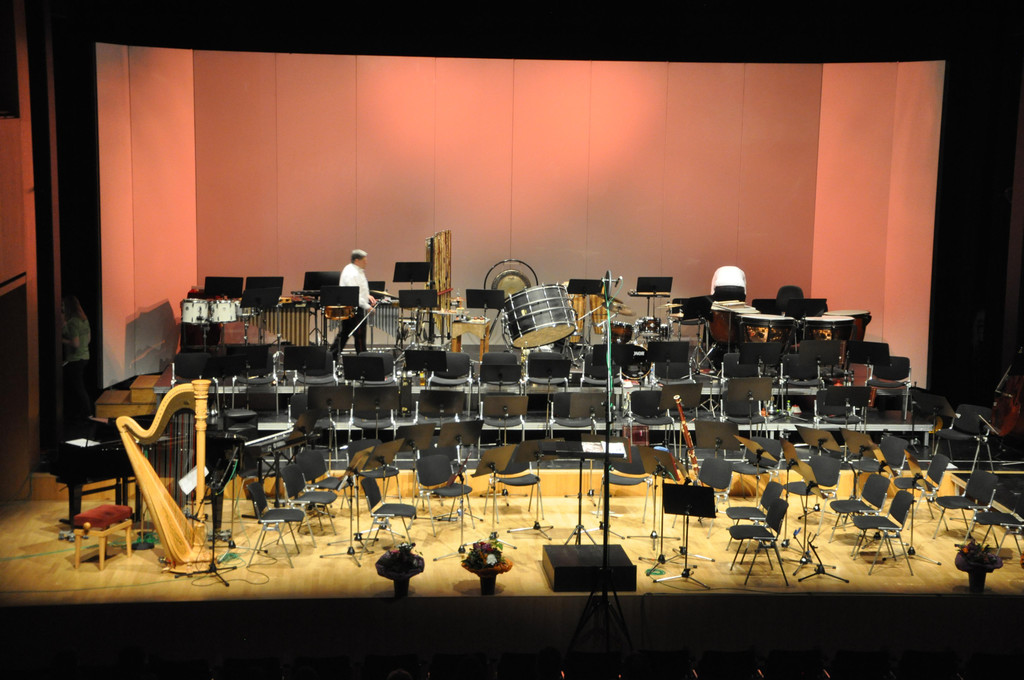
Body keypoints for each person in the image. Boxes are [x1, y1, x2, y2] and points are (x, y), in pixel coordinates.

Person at [333, 249, 376, 355]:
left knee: (345, 334)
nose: (366, 262)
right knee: (359, 334)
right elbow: (353, 294)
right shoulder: (351, 272)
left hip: (354, 306)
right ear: (357, 260)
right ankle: (362, 357)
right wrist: (367, 306)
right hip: (354, 307)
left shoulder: (356, 270)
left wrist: (367, 295)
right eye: (364, 260)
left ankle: (332, 355)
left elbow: (359, 289)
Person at [61, 295, 92, 422]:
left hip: (75, 359)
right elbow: (88, 339)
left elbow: (75, 343)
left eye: (63, 305)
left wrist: (60, 339)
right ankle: (84, 412)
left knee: (77, 388)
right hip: (85, 356)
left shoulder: (73, 322)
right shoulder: (84, 320)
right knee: (78, 386)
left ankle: (85, 413)